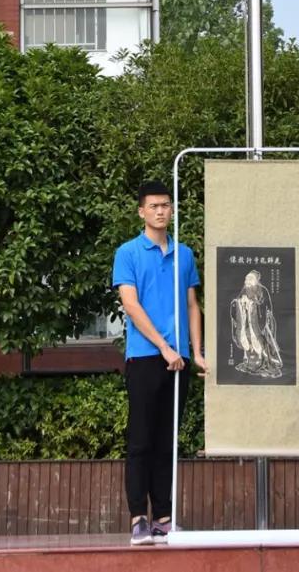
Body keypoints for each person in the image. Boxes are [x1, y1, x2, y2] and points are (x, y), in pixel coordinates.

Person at [113, 179, 207, 544]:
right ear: (141, 211)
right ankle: (139, 518)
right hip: (144, 357)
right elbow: (131, 304)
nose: (160, 211)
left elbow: (192, 305)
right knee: (141, 440)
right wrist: (163, 346)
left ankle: (163, 518)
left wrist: (196, 352)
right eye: (153, 206)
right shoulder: (128, 253)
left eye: (165, 205)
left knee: (168, 442)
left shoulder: (184, 254)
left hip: (178, 361)